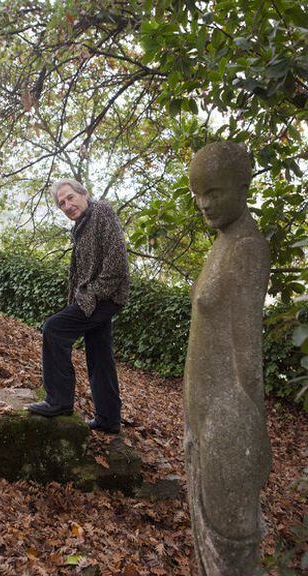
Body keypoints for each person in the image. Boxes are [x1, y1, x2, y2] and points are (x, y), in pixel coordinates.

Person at [184, 142, 271, 575]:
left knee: (232, 552)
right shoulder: (222, 243)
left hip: (229, 420)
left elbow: (247, 353)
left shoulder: (246, 250)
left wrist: (256, 435)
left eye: (213, 192)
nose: (204, 204)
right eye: (197, 195)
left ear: (243, 186)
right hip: (202, 415)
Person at [27, 179, 130, 434]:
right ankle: (109, 419)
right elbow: (81, 270)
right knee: (99, 355)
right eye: (62, 203)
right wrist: (76, 297)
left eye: (70, 197)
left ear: (84, 194)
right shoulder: (80, 226)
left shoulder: (101, 211)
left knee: (54, 328)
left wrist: (91, 296)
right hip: (95, 297)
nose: (67, 205)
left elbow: (117, 260)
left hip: (104, 297)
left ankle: (59, 401)